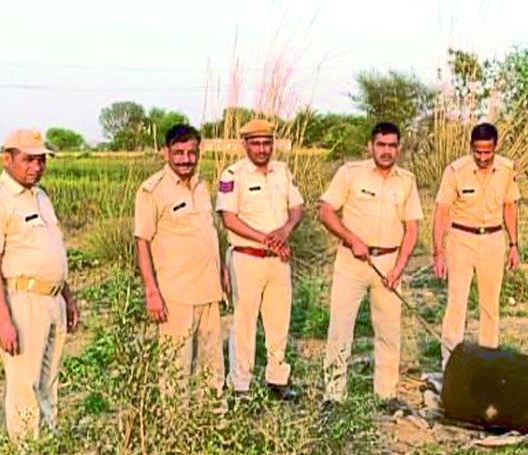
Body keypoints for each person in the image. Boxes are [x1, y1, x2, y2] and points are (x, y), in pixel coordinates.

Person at [0, 129, 79, 441]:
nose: (36, 167)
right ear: (7, 159)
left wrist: (68, 296)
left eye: (41, 160)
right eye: (29, 160)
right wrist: (4, 320)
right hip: (22, 302)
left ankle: (48, 448)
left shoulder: (40, 196)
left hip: (53, 301)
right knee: (24, 385)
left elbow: (52, 250)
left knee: (49, 382)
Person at [318, 121, 423, 410]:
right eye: (381, 145)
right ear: (370, 146)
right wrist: (351, 239)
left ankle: (386, 395)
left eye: (392, 146)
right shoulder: (350, 173)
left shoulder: (407, 181)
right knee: (340, 329)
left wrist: (399, 268)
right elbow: (325, 211)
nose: (386, 151)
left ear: (399, 148)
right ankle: (333, 396)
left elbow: (412, 229)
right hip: (352, 262)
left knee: (389, 332)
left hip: (389, 264)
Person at [134, 124, 226, 397]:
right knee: (176, 367)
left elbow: (208, 233)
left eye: (192, 152)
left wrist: (221, 271)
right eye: (179, 153)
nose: (186, 159)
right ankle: (176, 422)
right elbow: (142, 242)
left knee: (212, 366)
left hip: (209, 292)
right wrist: (151, 291)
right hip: (176, 295)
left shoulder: (201, 185)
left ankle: (213, 417)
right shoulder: (152, 190)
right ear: (165, 152)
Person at [215, 119, 304, 400]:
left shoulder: (282, 171)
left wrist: (286, 230)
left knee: (279, 320)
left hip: (278, 260)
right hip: (247, 258)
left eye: (267, 143)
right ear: (245, 144)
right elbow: (229, 219)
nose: (262, 149)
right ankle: (240, 384)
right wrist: (267, 239)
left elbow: (297, 207)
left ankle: (277, 379)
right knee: (244, 323)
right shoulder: (234, 174)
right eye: (256, 143)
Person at [432, 122, 520, 368]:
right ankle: (450, 362)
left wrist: (514, 244)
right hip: (461, 240)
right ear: (471, 147)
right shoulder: (455, 171)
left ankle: (487, 363)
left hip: (493, 240)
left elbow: (510, 207)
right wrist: (438, 251)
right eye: (477, 152)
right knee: (456, 303)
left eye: (487, 152)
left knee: (490, 305)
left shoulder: (506, 169)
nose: (482, 157)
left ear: (495, 147)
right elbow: (442, 211)